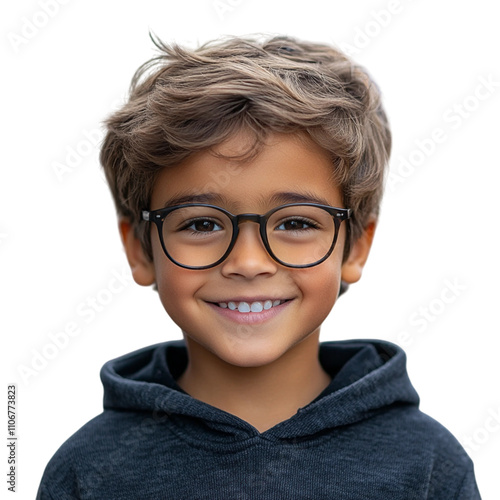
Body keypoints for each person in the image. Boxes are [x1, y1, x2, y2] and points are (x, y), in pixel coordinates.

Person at [37, 34, 481, 499]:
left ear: (354, 248)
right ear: (141, 251)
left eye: (294, 222)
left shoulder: (430, 464)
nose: (248, 263)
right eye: (203, 224)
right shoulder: (86, 469)